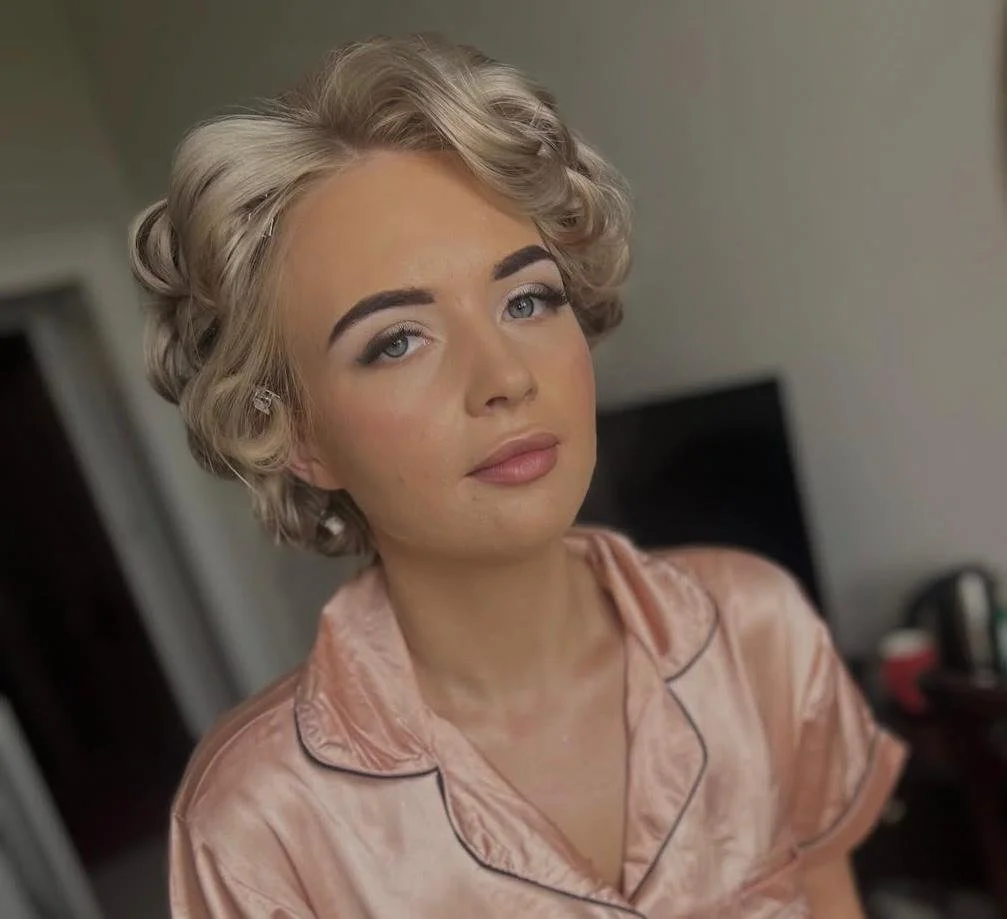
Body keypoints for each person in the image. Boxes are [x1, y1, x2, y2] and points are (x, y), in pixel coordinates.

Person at [129, 35, 906, 918]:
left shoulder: (756, 631)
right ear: (296, 437)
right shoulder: (256, 827)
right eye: (396, 340)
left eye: (527, 299)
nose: (504, 375)